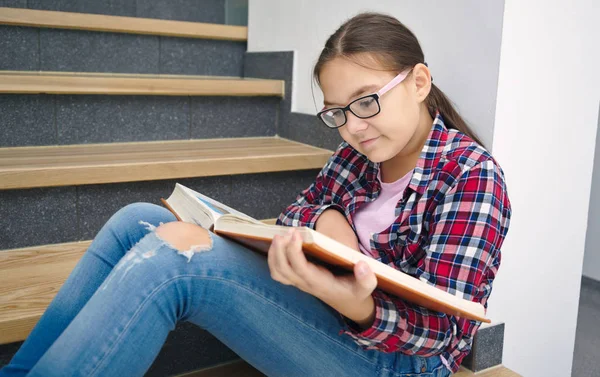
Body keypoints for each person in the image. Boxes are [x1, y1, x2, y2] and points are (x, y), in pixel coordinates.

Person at [0, 12, 511, 377]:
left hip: (396, 361)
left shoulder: (471, 176)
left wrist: (354, 302)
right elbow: (299, 210)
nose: (352, 126)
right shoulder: (359, 156)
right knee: (137, 219)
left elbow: (440, 333)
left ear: (419, 81)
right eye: (338, 112)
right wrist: (331, 217)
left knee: (177, 260)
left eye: (367, 102)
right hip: (329, 311)